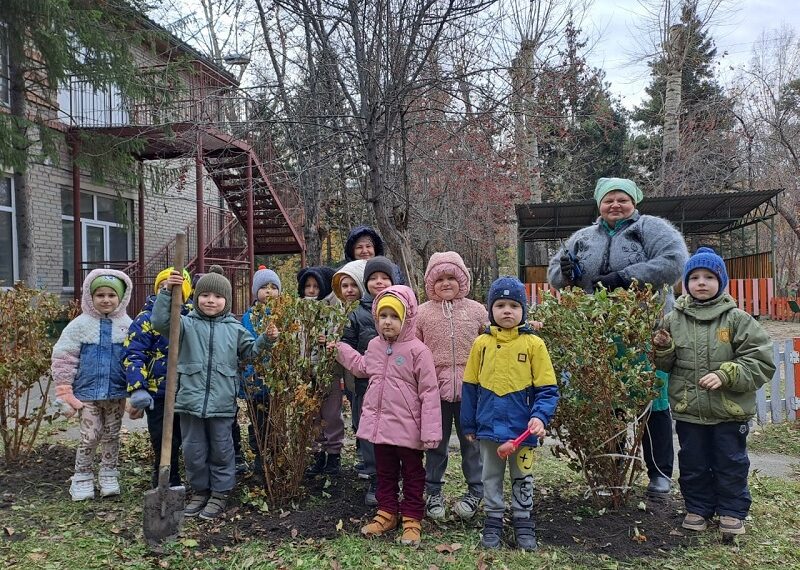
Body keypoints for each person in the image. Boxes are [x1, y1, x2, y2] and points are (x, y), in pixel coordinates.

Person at [547, 177, 689, 497]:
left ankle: (659, 474)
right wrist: (567, 272)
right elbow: (556, 275)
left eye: (622, 199)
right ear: (599, 205)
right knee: (604, 402)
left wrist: (625, 277)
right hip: (597, 333)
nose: (615, 205)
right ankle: (609, 471)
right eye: (608, 200)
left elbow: (674, 261)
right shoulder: (583, 237)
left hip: (645, 331)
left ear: (634, 202)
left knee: (652, 401)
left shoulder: (650, 229)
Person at [652, 247, 775, 539]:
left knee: (730, 462)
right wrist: (662, 348)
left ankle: (732, 512)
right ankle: (698, 509)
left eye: (709, 276)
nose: (701, 282)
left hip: (728, 412)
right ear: (685, 282)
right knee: (693, 462)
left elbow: (761, 361)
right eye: (694, 277)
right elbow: (664, 365)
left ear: (721, 281)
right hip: (689, 410)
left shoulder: (737, 319)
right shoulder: (673, 319)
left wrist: (726, 374)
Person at [152, 265, 278, 520]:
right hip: (189, 401)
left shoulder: (234, 328)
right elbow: (160, 322)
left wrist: (266, 339)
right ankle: (200, 490)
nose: (211, 301)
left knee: (222, 449)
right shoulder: (185, 324)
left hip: (221, 402)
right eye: (205, 295)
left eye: (218, 297)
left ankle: (220, 492)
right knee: (193, 450)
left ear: (227, 301)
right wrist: (167, 291)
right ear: (196, 297)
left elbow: (251, 351)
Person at [335, 285, 442, 546]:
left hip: (409, 429)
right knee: (385, 471)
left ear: (406, 318)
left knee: (414, 473)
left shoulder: (418, 351)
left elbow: (429, 393)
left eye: (394, 316)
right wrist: (340, 349)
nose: (388, 322)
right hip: (381, 428)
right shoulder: (374, 345)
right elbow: (362, 368)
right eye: (383, 316)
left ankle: (412, 518)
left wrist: (430, 432)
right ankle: (387, 512)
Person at [461, 276, 560, 551]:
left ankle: (523, 520)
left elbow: (547, 389)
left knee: (522, 476)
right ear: (491, 309)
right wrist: (469, 424)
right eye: (500, 305)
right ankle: (492, 520)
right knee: (490, 476)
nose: (507, 311)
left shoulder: (534, 345)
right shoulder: (480, 344)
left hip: (523, 432)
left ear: (523, 311)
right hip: (489, 429)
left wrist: (540, 416)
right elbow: (469, 387)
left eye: (514, 305)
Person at [416, 251, 488, 521]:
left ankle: (475, 491)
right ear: (430, 283)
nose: (446, 283)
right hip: (435, 390)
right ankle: (433, 491)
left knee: (473, 443)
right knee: (436, 443)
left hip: (472, 389)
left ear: (462, 279)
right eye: (440, 279)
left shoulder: (477, 310)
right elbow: (415, 351)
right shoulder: (422, 314)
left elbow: (492, 340)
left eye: (451, 278)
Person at [52, 269, 133, 501]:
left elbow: (136, 359)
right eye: (100, 295)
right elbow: (64, 356)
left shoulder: (127, 325)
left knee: (111, 435)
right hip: (86, 394)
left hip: (116, 394)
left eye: (111, 295)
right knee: (89, 436)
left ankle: (108, 473)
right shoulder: (79, 325)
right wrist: (64, 388)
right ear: (90, 297)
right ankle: (82, 476)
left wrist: (136, 389)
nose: (106, 300)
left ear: (121, 298)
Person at [124, 266, 193, 489]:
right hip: (158, 392)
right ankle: (165, 480)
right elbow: (133, 353)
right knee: (163, 439)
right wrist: (138, 388)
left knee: (183, 437)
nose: (168, 293)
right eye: (164, 288)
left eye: (175, 290)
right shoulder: (146, 319)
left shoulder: (191, 319)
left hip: (185, 391)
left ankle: (182, 474)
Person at [340, 255, 397, 504]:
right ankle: (376, 479)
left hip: (398, 386)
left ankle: (396, 477)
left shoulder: (403, 306)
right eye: (373, 278)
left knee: (395, 432)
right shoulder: (356, 313)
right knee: (368, 433)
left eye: (384, 277)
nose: (379, 282)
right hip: (365, 384)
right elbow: (346, 345)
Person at [297, 265, 345, 477]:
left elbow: (339, 334)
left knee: (331, 414)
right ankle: (318, 454)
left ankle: (334, 452)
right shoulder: (299, 309)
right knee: (312, 414)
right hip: (306, 371)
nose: (311, 290)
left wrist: (328, 341)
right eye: (307, 286)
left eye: (316, 286)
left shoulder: (334, 309)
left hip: (329, 371)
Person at [240, 265, 282, 478]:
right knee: (258, 421)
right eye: (264, 287)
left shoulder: (284, 314)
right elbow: (246, 348)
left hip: (279, 381)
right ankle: (259, 458)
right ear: (256, 291)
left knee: (277, 420)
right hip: (256, 380)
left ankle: (277, 456)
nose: (269, 291)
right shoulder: (248, 317)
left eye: (273, 287)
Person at [331, 260, 368, 436]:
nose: (349, 289)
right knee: (353, 404)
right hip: (344, 368)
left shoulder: (365, 310)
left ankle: (363, 445)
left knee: (362, 408)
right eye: (345, 285)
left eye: (354, 284)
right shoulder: (336, 310)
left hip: (362, 368)